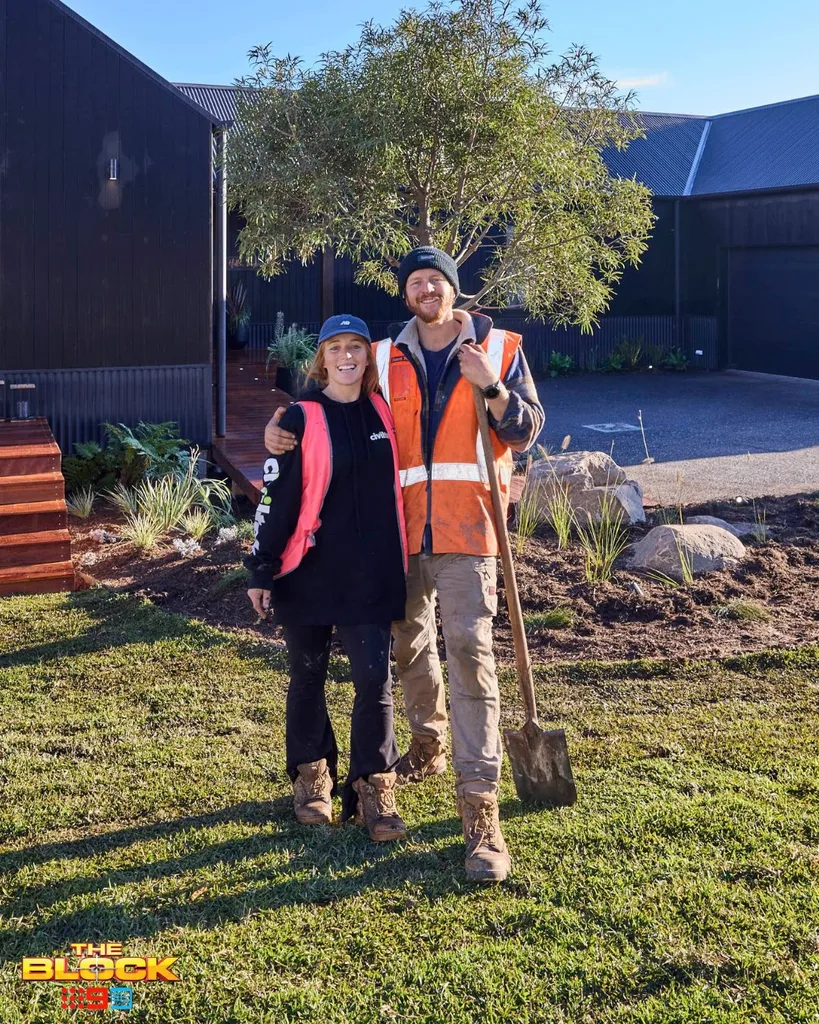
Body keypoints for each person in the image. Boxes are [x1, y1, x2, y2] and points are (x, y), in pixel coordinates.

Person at [264, 248, 544, 882]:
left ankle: (481, 813)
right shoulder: (387, 357)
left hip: (469, 529)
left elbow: (525, 431)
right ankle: (428, 740)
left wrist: (489, 386)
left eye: (435, 279)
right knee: (408, 644)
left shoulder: (498, 348)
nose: (425, 288)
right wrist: (280, 428)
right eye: (414, 281)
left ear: (452, 287)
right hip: (396, 534)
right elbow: (337, 393)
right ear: (406, 293)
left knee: (470, 655)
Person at [246, 314, 409, 842]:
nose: (346, 356)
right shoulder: (299, 417)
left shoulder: (386, 412)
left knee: (373, 681)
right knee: (308, 676)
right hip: (307, 571)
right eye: (335, 347)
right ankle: (312, 778)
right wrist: (262, 568)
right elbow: (276, 498)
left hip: (371, 574)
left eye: (355, 347)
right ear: (321, 359)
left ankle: (372, 785)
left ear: (368, 356)